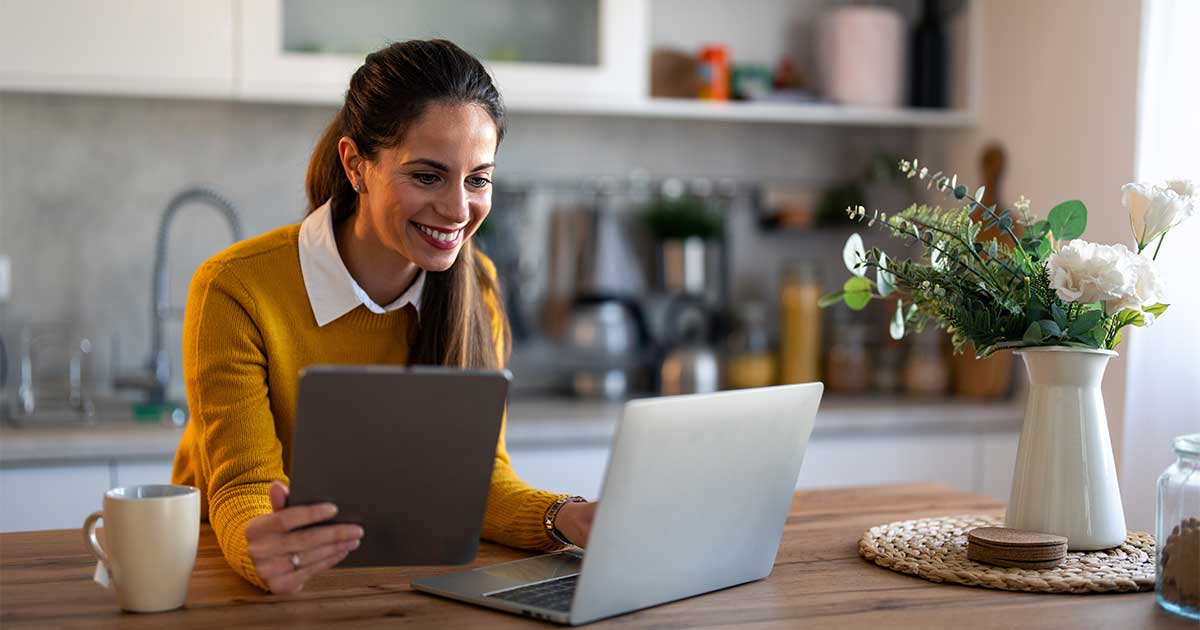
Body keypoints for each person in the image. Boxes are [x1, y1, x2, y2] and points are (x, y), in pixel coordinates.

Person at [172, 40, 596, 594]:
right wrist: (262, 545)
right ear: (356, 165)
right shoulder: (237, 288)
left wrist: (567, 516)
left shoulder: (477, 288)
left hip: (398, 584)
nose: (457, 209)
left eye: (478, 179)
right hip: (243, 584)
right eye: (427, 176)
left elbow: (474, 484)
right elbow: (246, 486)